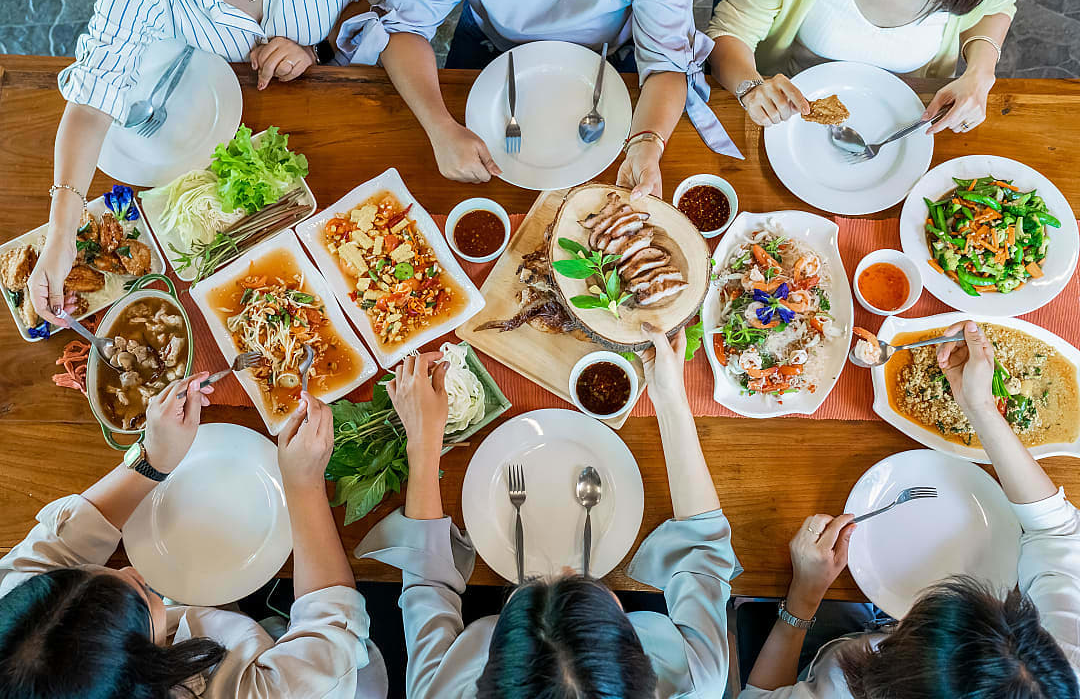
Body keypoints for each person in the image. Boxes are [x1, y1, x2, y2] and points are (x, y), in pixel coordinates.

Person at [355, 325, 739, 699]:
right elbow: (703, 548)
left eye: (533, 584)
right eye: (583, 585)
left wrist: (421, 442)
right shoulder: (697, 681)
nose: (566, 568)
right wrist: (670, 398)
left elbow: (427, 583)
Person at [740, 321, 1080, 699]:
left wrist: (802, 598)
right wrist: (980, 406)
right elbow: (1056, 531)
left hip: (822, 639)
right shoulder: (1059, 667)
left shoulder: (837, 690)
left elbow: (757, 695)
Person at [29, 0, 394, 328]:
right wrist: (61, 234)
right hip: (200, 147)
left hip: (338, 128)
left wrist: (319, 50)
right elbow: (91, 105)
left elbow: (386, 4)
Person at [0, 375, 386, 699]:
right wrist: (303, 485)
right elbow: (329, 630)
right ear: (149, 671)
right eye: (143, 595)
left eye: (84, 573)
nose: (133, 570)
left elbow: (59, 544)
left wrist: (152, 459)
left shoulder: (15, 632)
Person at [336, 0, 743, 195]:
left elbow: (665, 65)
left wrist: (647, 145)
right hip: (489, 52)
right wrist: (440, 126)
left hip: (609, 63)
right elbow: (404, 28)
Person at [706, 0, 1026, 133]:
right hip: (784, 122)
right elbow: (728, 32)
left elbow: (995, 7)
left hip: (906, 122)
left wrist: (981, 72)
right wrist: (750, 87)